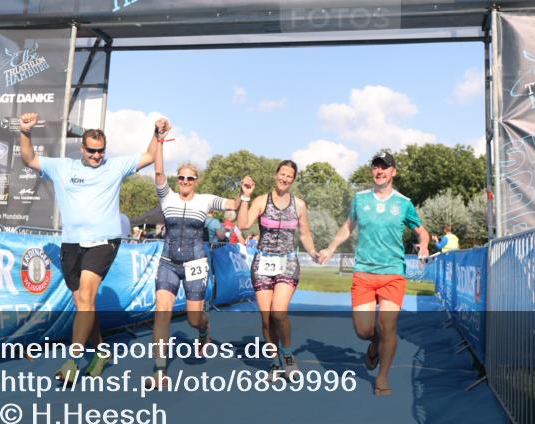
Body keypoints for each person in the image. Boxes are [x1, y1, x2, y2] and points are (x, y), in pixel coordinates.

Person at [19, 111, 170, 383]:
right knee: (82, 303)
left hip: (104, 241)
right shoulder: (63, 167)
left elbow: (148, 156)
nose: (97, 156)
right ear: (82, 148)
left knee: (87, 297)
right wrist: (26, 132)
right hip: (71, 244)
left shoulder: (115, 166)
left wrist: (157, 135)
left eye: (101, 151)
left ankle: (73, 361)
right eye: (92, 151)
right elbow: (29, 158)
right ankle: (100, 351)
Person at [319, 151, 429, 396]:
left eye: (385, 167)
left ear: (393, 172)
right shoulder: (360, 199)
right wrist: (330, 247)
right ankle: (373, 347)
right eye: (376, 167)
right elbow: (348, 227)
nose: (379, 171)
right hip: (364, 274)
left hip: (392, 274)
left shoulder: (404, 203)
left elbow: (422, 230)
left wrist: (423, 245)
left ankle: (382, 378)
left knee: (388, 326)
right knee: (364, 331)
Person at [147, 139, 240, 390]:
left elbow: (233, 205)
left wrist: (243, 194)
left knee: (193, 318)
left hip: (195, 263)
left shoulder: (206, 200)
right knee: (162, 312)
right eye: (181, 178)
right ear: (177, 180)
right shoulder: (167, 197)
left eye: (190, 178)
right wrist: (159, 141)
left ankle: (204, 329)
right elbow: (157, 172)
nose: (185, 182)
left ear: (196, 181)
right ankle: (159, 370)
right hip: (168, 262)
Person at [237, 161, 319, 380]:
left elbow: (305, 234)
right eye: (282, 174)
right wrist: (245, 196)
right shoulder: (261, 201)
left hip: (288, 263)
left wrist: (312, 251)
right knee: (266, 319)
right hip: (263, 262)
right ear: (276, 175)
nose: (284, 179)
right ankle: (274, 362)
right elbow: (243, 224)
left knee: (279, 312)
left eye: (289, 176)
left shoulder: (299, 205)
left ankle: (288, 355)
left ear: (293, 180)